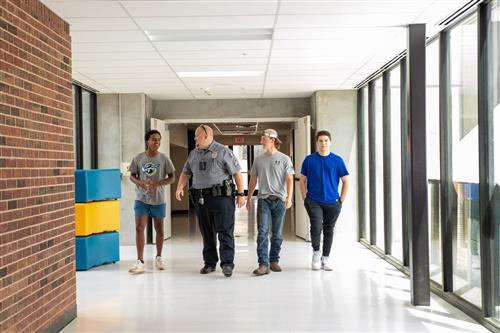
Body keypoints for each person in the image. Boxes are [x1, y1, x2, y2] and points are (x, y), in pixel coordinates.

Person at [175, 124, 246, 277]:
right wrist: (179, 187)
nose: (195, 139)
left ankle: (227, 264)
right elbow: (185, 172)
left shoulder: (223, 151)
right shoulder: (193, 154)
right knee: (207, 232)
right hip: (201, 199)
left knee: (225, 231)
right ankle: (209, 263)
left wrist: (241, 194)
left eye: (197, 136)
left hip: (221, 198)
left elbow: (237, 174)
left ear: (206, 136)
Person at [299, 130, 349, 271]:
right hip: (313, 200)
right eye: (320, 141)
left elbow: (346, 181)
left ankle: (325, 258)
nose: (323, 143)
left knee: (329, 229)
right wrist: (305, 198)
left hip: (333, 202)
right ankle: (316, 253)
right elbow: (302, 181)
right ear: (317, 143)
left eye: (326, 140)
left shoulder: (337, 160)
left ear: (330, 142)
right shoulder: (309, 160)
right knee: (316, 226)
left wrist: (341, 201)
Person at [246, 129, 294, 276]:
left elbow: (290, 179)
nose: (261, 141)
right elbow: (253, 180)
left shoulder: (285, 159)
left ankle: (274, 261)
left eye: (264, 138)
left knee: (277, 234)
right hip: (263, 200)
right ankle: (263, 264)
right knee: (262, 233)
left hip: (279, 200)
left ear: (272, 139)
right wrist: (248, 198)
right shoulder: (258, 160)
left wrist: (289, 198)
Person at [128, 129, 176, 274]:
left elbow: (172, 177)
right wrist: (140, 182)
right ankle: (140, 261)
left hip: (158, 199)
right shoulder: (138, 158)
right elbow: (132, 176)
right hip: (141, 198)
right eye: (154, 139)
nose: (157, 142)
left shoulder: (164, 158)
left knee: (159, 229)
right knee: (139, 228)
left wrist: (157, 183)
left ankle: (159, 257)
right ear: (147, 141)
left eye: (159, 140)